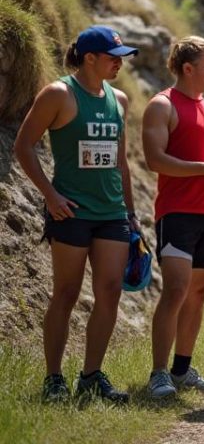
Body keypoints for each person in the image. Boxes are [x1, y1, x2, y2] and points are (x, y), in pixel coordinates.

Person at [16, 26, 139, 404]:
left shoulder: (118, 99)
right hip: (71, 212)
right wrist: (50, 196)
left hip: (112, 213)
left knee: (110, 292)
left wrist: (132, 215)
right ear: (90, 58)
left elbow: (121, 162)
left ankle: (90, 376)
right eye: (113, 57)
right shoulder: (58, 93)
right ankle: (54, 379)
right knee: (66, 293)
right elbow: (23, 146)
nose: (120, 64)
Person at [143, 36, 204, 399]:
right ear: (187, 69)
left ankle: (182, 369)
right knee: (175, 289)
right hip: (177, 213)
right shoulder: (162, 105)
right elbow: (155, 160)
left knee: (200, 292)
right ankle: (158, 373)